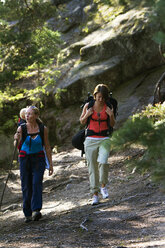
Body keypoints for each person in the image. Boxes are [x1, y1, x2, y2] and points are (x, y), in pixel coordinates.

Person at [14, 106, 53, 223]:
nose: (27, 116)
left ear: (36, 116)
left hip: (39, 159)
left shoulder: (42, 128)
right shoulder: (22, 128)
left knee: (37, 183)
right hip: (24, 158)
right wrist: (15, 139)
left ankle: (36, 210)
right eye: (26, 114)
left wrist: (50, 164)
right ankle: (27, 213)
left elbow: (47, 146)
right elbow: (16, 145)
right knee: (26, 185)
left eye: (30, 114)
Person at [80, 84, 115, 205]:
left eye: (103, 97)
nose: (100, 99)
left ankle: (103, 186)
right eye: (98, 97)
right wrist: (87, 114)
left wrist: (110, 115)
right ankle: (95, 194)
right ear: (95, 95)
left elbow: (113, 124)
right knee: (92, 167)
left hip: (104, 138)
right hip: (90, 139)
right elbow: (82, 121)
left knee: (103, 163)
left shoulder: (109, 106)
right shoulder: (88, 106)